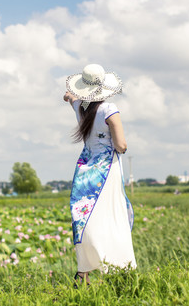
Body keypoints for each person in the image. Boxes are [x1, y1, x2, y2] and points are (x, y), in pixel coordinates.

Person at [63, 64, 136, 286]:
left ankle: (84, 271)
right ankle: (118, 266)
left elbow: (71, 98)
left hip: (86, 168)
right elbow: (121, 145)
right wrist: (119, 148)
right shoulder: (108, 109)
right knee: (112, 216)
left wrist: (70, 96)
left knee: (86, 217)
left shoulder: (81, 110)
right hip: (107, 169)